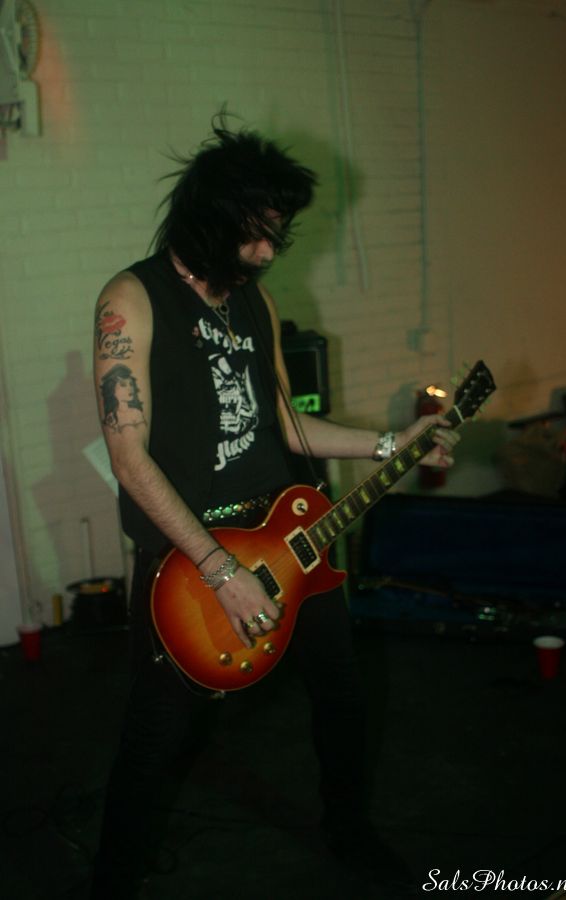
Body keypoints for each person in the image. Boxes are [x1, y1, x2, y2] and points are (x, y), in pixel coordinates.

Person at [90, 116, 459, 898]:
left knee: (342, 696)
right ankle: (112, 880)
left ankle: (348, 833)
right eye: (253, 235)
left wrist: (392, 443)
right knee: (157, 733)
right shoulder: (132, 299)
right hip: (192, 555)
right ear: (210, 218)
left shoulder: (253, 301)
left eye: (274, 236)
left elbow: (287, 425)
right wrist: (218, 568)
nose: (265, 253)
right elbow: (128, 455)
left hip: (289, 531)